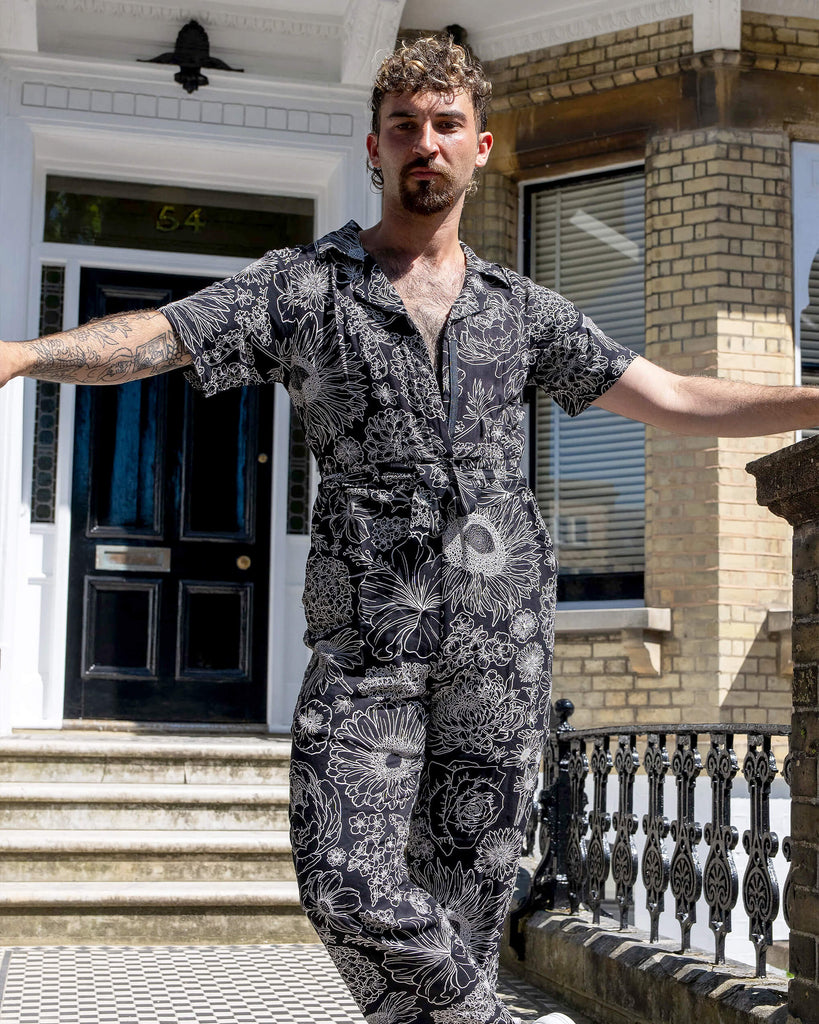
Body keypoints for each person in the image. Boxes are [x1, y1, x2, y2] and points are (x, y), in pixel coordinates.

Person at [1, 34, 817, 1024]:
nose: (424, 143)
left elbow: (678, 397)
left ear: (479, 146)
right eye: (403, 126)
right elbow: (162, 335)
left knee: (464, 915)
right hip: (368, 643)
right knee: (342, 877)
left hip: (500, 648)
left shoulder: (524, 311)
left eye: (444, 125)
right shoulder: (303, 286)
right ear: (376, 147)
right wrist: (25, 353)